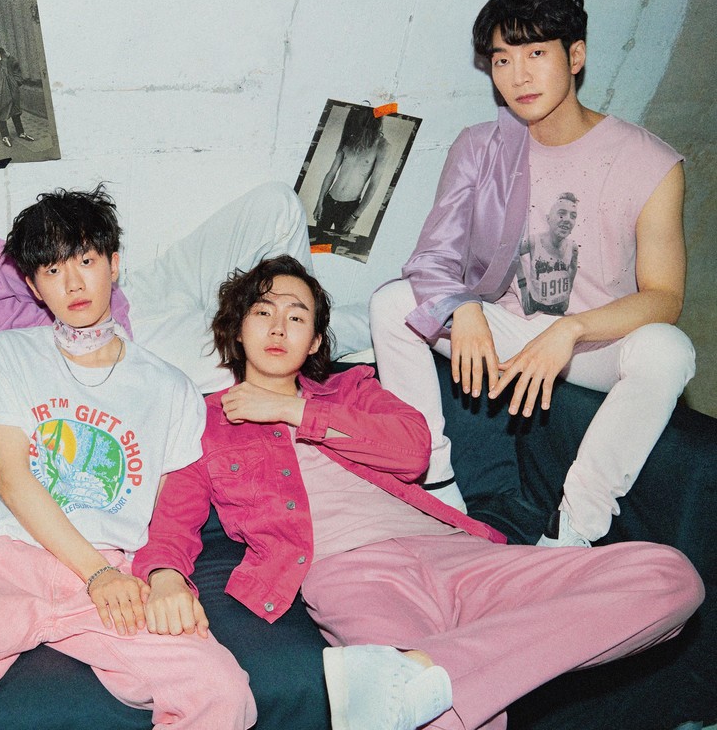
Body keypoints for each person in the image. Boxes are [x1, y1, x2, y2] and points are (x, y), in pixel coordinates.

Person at [133, 255, 703, 730]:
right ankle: (437, 675)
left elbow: (412, 450)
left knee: (669, 578)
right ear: (237, 330)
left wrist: (296, 411)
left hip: (459, 552)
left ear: (314, 342)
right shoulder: (204, 424)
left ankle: (423, 669)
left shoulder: (354, 388)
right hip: (354, 578)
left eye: (296, 316)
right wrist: (163, 577)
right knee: (450, 718)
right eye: (263, 312)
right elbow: (173, 521)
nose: (279, 328)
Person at [0, 186, 256, 729]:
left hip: (114, 570)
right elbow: (14, 482)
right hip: (1, 557)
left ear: (114, 264)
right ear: (34, 286)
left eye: (86, 261)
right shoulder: (9, 353)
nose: (74, 283)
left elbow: (175, 507)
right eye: (53, 270)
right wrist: (97, 573)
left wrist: (164, 576)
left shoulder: (170, 388)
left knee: (221, 692)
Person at [369, 0, 695, 545]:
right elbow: (433, 257)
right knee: (392, 303)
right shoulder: (480, 147)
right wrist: (464, 308)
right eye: (502, 59)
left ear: (576, 56)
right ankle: (434, 484)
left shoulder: (651, 163)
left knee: (668, 349)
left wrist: (571, 329)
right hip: (509, 327)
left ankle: (574, 526)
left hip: (592, 345)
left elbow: (664, 298)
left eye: (536, 54)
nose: (517, 76)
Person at [0, 181, 368, 451]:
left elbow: (63, 275)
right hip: (138, 350)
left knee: (275, 204)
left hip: (137, 291)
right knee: (262, 355)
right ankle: (358, 332)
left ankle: (312, 317)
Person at [311, 107, 388, 242]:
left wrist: (355, 216)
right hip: (329, 201)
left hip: (349, 208)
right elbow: (331, 173)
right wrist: (320, 202)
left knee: (335, 246)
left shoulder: (383, 146)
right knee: (318, 243)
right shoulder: (349, 139)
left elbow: (373, 185)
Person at [517, 192, 580, 315]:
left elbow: (573, 268)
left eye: (573, 216)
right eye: (561, 214)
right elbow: (513, 255)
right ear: (548, 218)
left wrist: (568, 293)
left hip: (559, 307)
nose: (567, 220)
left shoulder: (572, 247)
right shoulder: (534, 241)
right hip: (535, 303)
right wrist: (523, 287)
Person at [0, 29, 36, 148]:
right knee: (0, 113)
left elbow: (16, 68)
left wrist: (16, 81)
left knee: (16, 111)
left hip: (12, 89)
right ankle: (5, 136)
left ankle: (21, 132)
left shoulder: (6, 55)